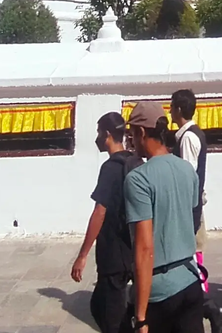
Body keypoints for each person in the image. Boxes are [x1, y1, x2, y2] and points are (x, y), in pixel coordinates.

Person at [124, 101, 205, 333]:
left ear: (141, 132)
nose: (131, 140)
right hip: (190, 281)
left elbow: (144, 250)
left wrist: (140, 317)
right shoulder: (187, 170)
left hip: (159, 292)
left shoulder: (138, 179)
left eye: (132, 134)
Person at [73, 112, 141, 333]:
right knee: (103, 304)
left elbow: (99, 212)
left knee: (108, 315)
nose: (97, 138)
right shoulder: (136, 161)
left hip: (113, 251)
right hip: (135, 245)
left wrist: (83, 255)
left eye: (99, 133)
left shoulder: (110, 168)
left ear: (108, 135)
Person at [170, 90, 222, 333]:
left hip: (188, 208)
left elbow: (188, 177)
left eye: (172, 107)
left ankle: (209, 307)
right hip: (190, 207)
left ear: (180, 110)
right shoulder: (188, 135)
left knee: (191, 261)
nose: (170, 111)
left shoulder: (188, 139)